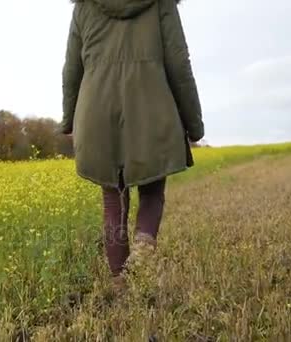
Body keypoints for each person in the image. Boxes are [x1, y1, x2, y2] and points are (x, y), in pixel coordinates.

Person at [59, 0, 204, 292]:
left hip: (96, 111)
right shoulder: (161, 4)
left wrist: (69, 120)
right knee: (151, 194)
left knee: (113, 201)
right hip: (151, 108)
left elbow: (71, 69)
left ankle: (119, 281)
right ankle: (141, 252)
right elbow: (179, 62)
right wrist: (193, 122)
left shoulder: (84, 7)